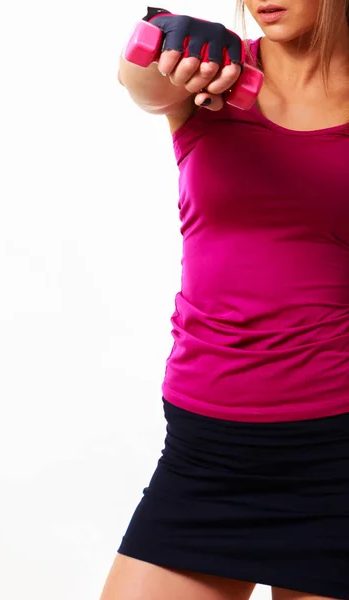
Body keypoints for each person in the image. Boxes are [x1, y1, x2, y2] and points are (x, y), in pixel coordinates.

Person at [101, 1, 349, 598]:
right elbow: (140, 83)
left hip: (338, 455)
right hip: (205, 454)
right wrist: (158, 34)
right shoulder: (215, 78)